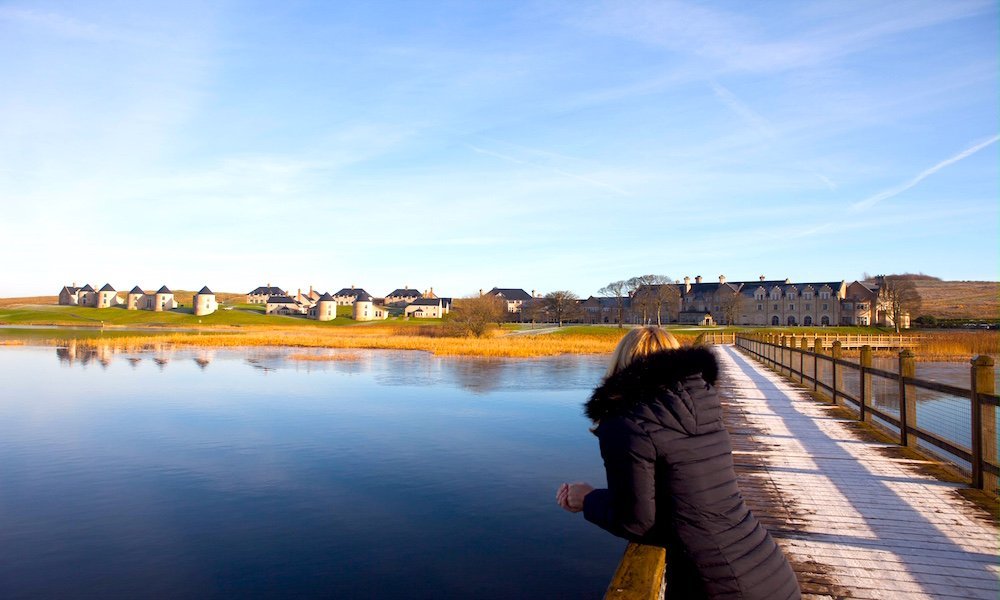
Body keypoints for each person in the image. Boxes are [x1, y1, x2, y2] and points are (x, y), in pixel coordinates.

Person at [557, 326, 800, 599]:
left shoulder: (627, 422)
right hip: (767, 567)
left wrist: (587, 499)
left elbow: (636, 522)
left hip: (722, 584)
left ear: (621, 364)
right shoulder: (704, 404)